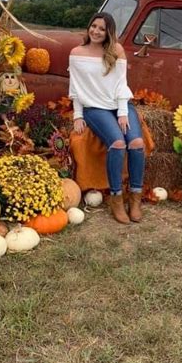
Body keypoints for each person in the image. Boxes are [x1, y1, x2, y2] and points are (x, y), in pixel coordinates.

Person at [68, 12, 145, 224]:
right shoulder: (76, 53)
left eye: (102, 29)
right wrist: (77, 115)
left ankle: (136, 198)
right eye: (94, 26)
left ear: (108, 32)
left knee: (137, 143)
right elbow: (76, 87)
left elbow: (121, 83)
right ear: (88, 27)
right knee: (118, 143)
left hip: (119, 103)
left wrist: (122, 111)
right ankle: (116, 198)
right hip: (95, 108)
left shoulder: (116, 50)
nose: (96, 31)